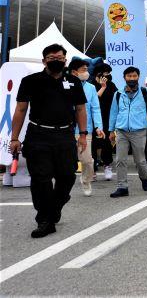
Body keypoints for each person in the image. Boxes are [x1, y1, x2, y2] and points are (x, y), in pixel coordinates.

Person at [10, 44, 88, 238]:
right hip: (38, 135)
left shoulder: (73, 81)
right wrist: (14, 138)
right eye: (52, 57)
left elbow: (80, 109)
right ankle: (44, 220)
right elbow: (20, 110)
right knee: (41, 179)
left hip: (65, 135)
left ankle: (55, 207)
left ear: (65, 60)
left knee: (67, 176)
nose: (56, 60)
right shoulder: (31, 81)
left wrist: (84, 134)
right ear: (44, 60)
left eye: (60, 57)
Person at [108, 66, 147, 197]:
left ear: (138, 77)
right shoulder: (118, 94)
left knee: (140, 161)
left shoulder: (145, 92)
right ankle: (122, 187)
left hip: (139, 131)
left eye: (134, 76)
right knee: (120, 160)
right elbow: (114, 113)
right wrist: (110, 130)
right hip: (121, 131)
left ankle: (144, 178)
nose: (132, 78)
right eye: (129, 76)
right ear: (124, 78)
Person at [68, 59, 104, 197]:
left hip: (85, 130)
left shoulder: (91, 88)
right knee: (66, 160)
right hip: (66, 129)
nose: (86, 72)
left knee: (87, 160)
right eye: (83, 69)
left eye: (86, 69)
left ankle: (86, 180)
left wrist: (98, 127)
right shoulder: (65, 85)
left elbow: (96, 108)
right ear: (74, 72)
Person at [91, 64, 117, 181]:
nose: (108, 75)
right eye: (106, 73)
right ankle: (92, 169)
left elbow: (117, 100)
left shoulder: (111, 85)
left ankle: (107, 165)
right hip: (92, 119)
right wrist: (102, 87)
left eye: (109, 73)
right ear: (99, 73)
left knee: (106, 142)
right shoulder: (91, 85)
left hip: (107, 118)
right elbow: (92, 101)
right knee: (93, 143)